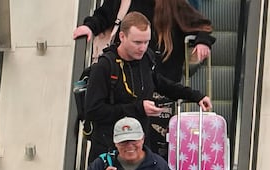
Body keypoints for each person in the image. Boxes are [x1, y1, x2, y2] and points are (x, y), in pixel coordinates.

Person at [83, 12, 212, 161]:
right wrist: (138, 108)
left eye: (146, 42)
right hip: (109, 150)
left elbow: (161, 84)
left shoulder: (146, 58)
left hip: (140, 148)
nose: (142, 48)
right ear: (122, 37)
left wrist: (196, 96)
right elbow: (93, 111)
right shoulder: (104, 67)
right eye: (137, 42)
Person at [73, 0, 215, 82]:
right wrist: (89, 27)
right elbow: (104, 15)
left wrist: (202, 41)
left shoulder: (173, 4)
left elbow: (200, 24)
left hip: (160, 79)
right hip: (124, 74)